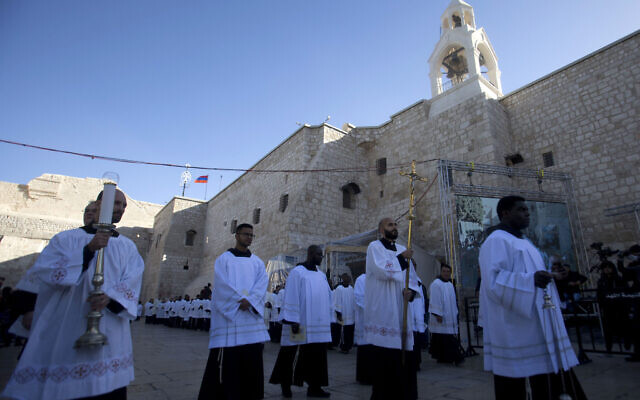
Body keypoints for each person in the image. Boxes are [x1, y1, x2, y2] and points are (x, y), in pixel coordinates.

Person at [3, 189, 145, 400]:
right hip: (66, 322)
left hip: (109, 325)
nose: (120, 209)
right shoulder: (66, 239)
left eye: (123, 206)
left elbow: (133, 279)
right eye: (115, 204)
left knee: (106, 386)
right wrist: (88, 250)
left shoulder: (128, 246)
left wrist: (112, 297)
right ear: (98, 205)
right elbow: (44, 273)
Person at [478, 196, 586, 400]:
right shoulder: (496, 240)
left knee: (546, 375)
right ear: (505, 213)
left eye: (527, 210)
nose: (527, 213)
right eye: (521, 210)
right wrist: (530, 281)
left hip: (539, 320)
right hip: (516, 324)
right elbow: (493, 282)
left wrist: (554, 278)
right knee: (515, 379)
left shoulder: (525, 242)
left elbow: (535, 275)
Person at [198, 223, 269, 400]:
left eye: (252, 235)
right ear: (237, 235)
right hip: (231, 319)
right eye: (246, 234)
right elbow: (222, 285)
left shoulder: (258, 262)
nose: (249, 238)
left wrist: (250, 301)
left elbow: (262, 285)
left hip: (250, 321)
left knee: (251, 364)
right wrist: (239, 301)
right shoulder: (224, 259)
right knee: (228, 365)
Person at [365, 217, 421, 400]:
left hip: (401, 307)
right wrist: (401, 259)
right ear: (381, 230)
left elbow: (412, 277)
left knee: (404, 357)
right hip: (384, 308)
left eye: (396, 224)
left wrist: (411, 292)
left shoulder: (403, 249)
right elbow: (381, 270)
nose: (394, 227)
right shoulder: (374, 247)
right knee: (385, 357)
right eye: (390, 225)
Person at [269, 245, 332, 398]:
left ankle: (315, 387)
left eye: (321, 255)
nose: (321, 257)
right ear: (310, 254)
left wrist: (329, 317)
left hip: (318, 325)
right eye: (318, 254)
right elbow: (291, 295)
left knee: (317, 356)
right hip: (299, 323)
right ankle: (286, 385)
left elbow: (328, 296)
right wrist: (292, 319)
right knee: (290, 354)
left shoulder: (321, 275)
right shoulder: (297, 272)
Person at [428, 264, 463, 365]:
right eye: (444, 271)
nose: (446, 273)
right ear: (441, 272)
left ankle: (443, 357)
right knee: (445, 338)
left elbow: (452, 301)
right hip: (441, 316)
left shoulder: (450, 284)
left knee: (444, 338)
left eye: (448, 271)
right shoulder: (436, 284)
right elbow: (434, 300)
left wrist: (455, 312)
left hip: (449, 316)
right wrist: (437, 313)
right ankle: (457, 357)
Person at [353, 272, 373, 385]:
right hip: (365, 320)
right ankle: (363, 377)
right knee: (365, 349)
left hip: (375, 321)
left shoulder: (377, 278)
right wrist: (373, 309)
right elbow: (359, 299)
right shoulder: (361, 279)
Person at [333, 273, 355, 354]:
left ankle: (348, 346)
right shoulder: (339, 289)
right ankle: (343, 346)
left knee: (349, 331)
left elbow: (353, 301)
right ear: (343, 279)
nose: (348, 279)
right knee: (343, 331)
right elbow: (336, 301)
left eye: (348, 278)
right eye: (346, 278)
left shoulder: (351, 289)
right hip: (343, 314)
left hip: (350, 314)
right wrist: (338, 313)